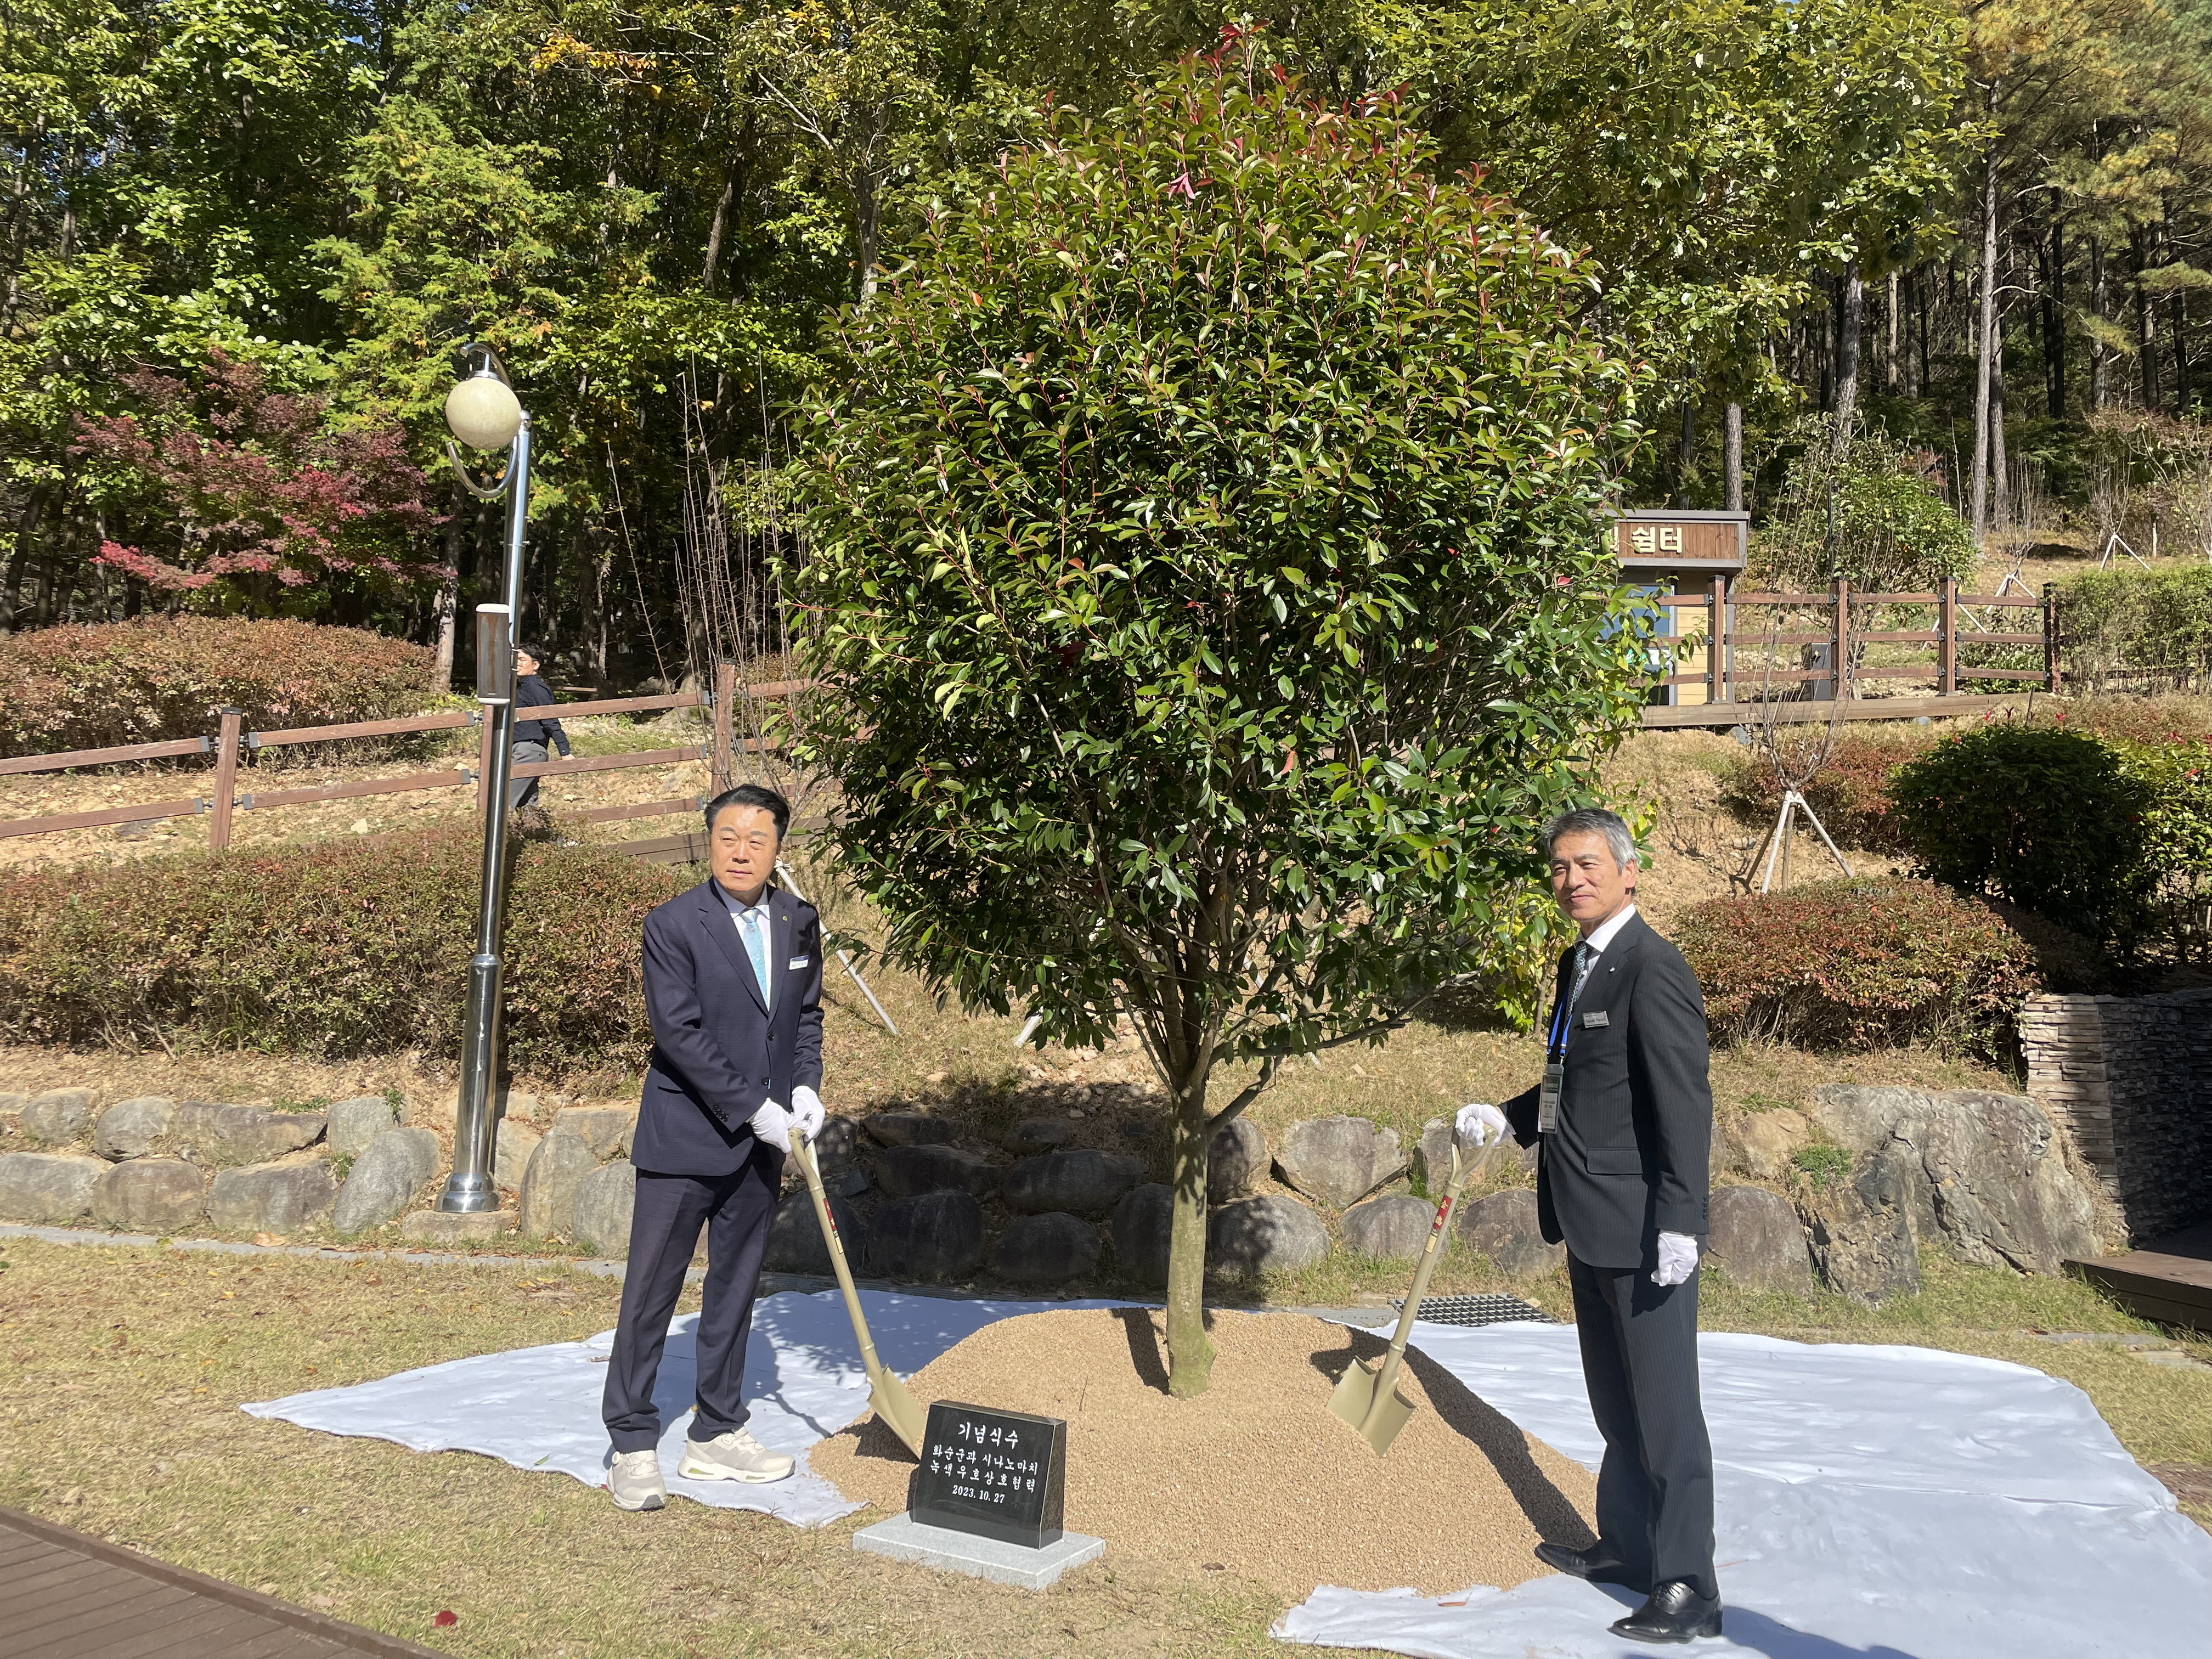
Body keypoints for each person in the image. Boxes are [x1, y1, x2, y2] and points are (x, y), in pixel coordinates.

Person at [1455, 805, 1720, 1645]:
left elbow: (1683, 1103)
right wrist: (1507, 1118)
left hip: (1646, 1231)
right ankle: (1629, 1550)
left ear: (1629, 871)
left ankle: (1688, 1585)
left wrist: (1681, 1219)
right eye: (1562, 867)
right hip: (1586, 1222)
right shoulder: (1583, 963)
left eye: (1588, 864)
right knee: (1617, 1407)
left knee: (1669, 1413)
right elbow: (1577, 1080)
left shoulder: (1653, 966)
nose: (1572, 879)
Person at [602, 782, 827, 1511]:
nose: (741, 850)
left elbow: (805, 1020)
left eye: (756, 839)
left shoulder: (799, 921)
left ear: (778, 848)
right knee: (652, 1293)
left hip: (763, 1144)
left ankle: (718, 1430)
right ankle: (632, 1440)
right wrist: (752, 1106)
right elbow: (680, 1033)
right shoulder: (674, 924)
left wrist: (804, 1090)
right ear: (709, 841)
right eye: (728, 836)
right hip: (684, 1138)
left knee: (735, 1289)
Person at [510, 646, 571, 812]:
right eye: (515, 660)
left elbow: (550, 719)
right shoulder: (520, 687)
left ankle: (488, 835)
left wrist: (564, 750)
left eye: (522, 660)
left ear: (535, 665)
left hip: (528, 752)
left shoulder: (536, 688)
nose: (517, 664)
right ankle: (542, 837)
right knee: (527, 806)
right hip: (522, 751)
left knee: (503, 800)